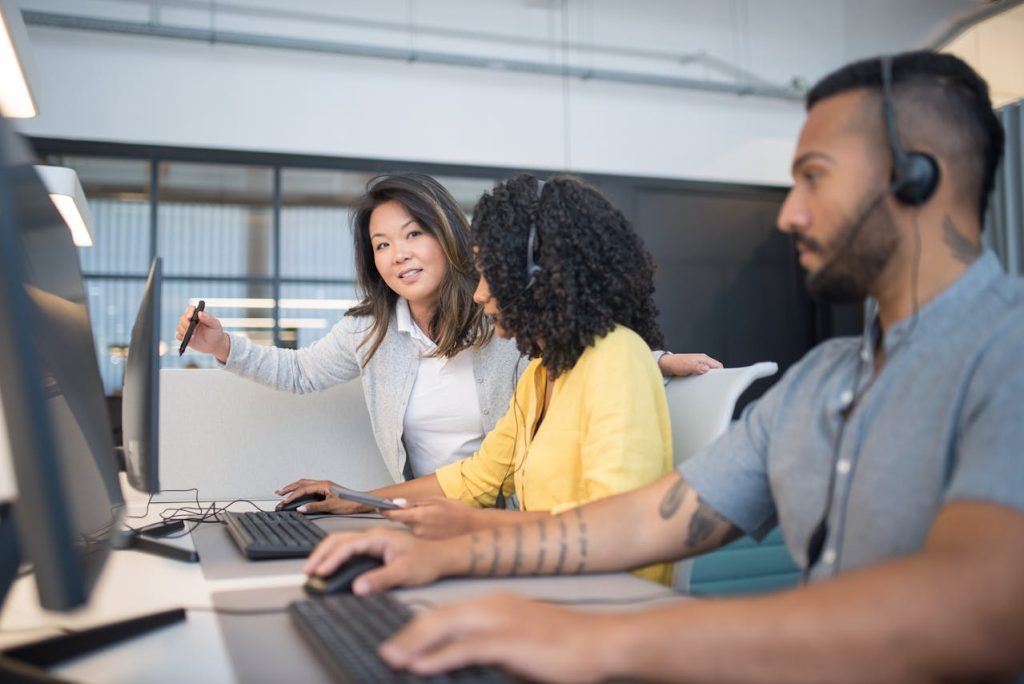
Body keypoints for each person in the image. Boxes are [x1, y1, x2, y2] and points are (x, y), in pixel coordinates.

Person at [303, 51, 1024, 682]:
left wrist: (597, 636)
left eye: (814, 177)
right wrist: (457, 552)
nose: (788, 214)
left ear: (916, 177)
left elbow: (976, 614)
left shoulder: (1009, 352)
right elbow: (644, 522)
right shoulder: (819, 384)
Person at [176, 174, 721, 508]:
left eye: (414, 234)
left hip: (525, 540)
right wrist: (223, 346)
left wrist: (656, 360)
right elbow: (475, 478)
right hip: (452, 515)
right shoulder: (376, 329)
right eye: (382, 244)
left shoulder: (524, 329)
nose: (399, 254)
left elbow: (585, 348)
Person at [298, 174, 679, 583]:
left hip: (610, 599)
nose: (479, 294)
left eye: (490, 274)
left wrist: (473, 529)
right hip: (548, 579)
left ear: (539, 276)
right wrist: (360, 501)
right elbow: (477, 476)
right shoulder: (540, 372)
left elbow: (612, 528)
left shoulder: (617, 359)